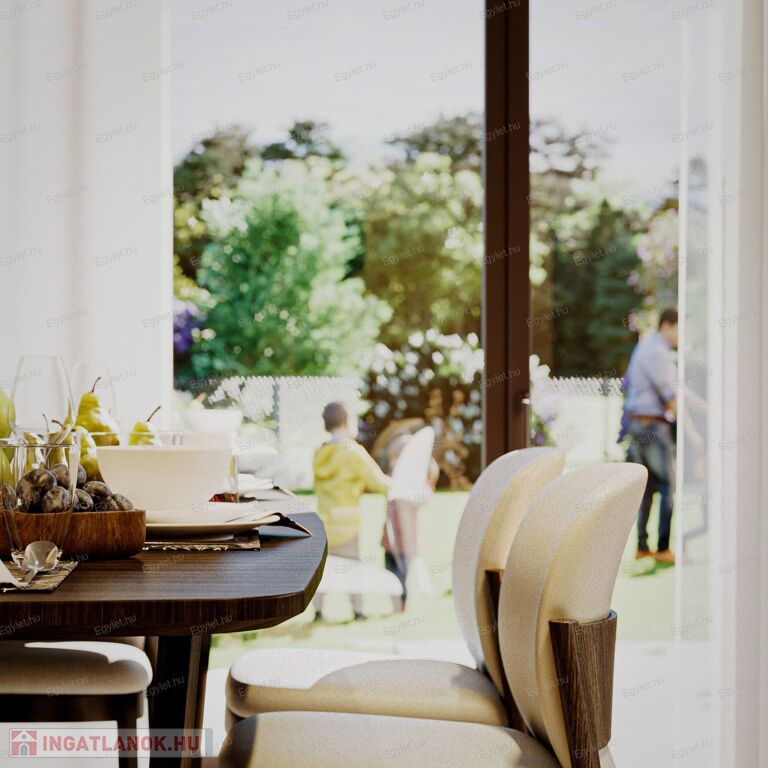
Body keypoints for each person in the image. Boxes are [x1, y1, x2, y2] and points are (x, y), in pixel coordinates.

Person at [313, 401, 390, 620]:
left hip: (324, 521)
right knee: (353, 567)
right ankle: (358, 611)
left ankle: (318, 611)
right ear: (347, 421)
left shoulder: (320, 453)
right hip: (347, 522)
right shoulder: (352, 451)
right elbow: (377, 481)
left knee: (323, 569)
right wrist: (400, 486)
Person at [622, 307, 678, 565]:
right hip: (651, 425)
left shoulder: (644, 346)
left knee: (647, 487)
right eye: (679, 329)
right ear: (667, 325)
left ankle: (642, 547)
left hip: (637, 423)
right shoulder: (657, 350)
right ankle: (663, 548)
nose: (681, 335)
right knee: (667, 485)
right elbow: (668, 394)